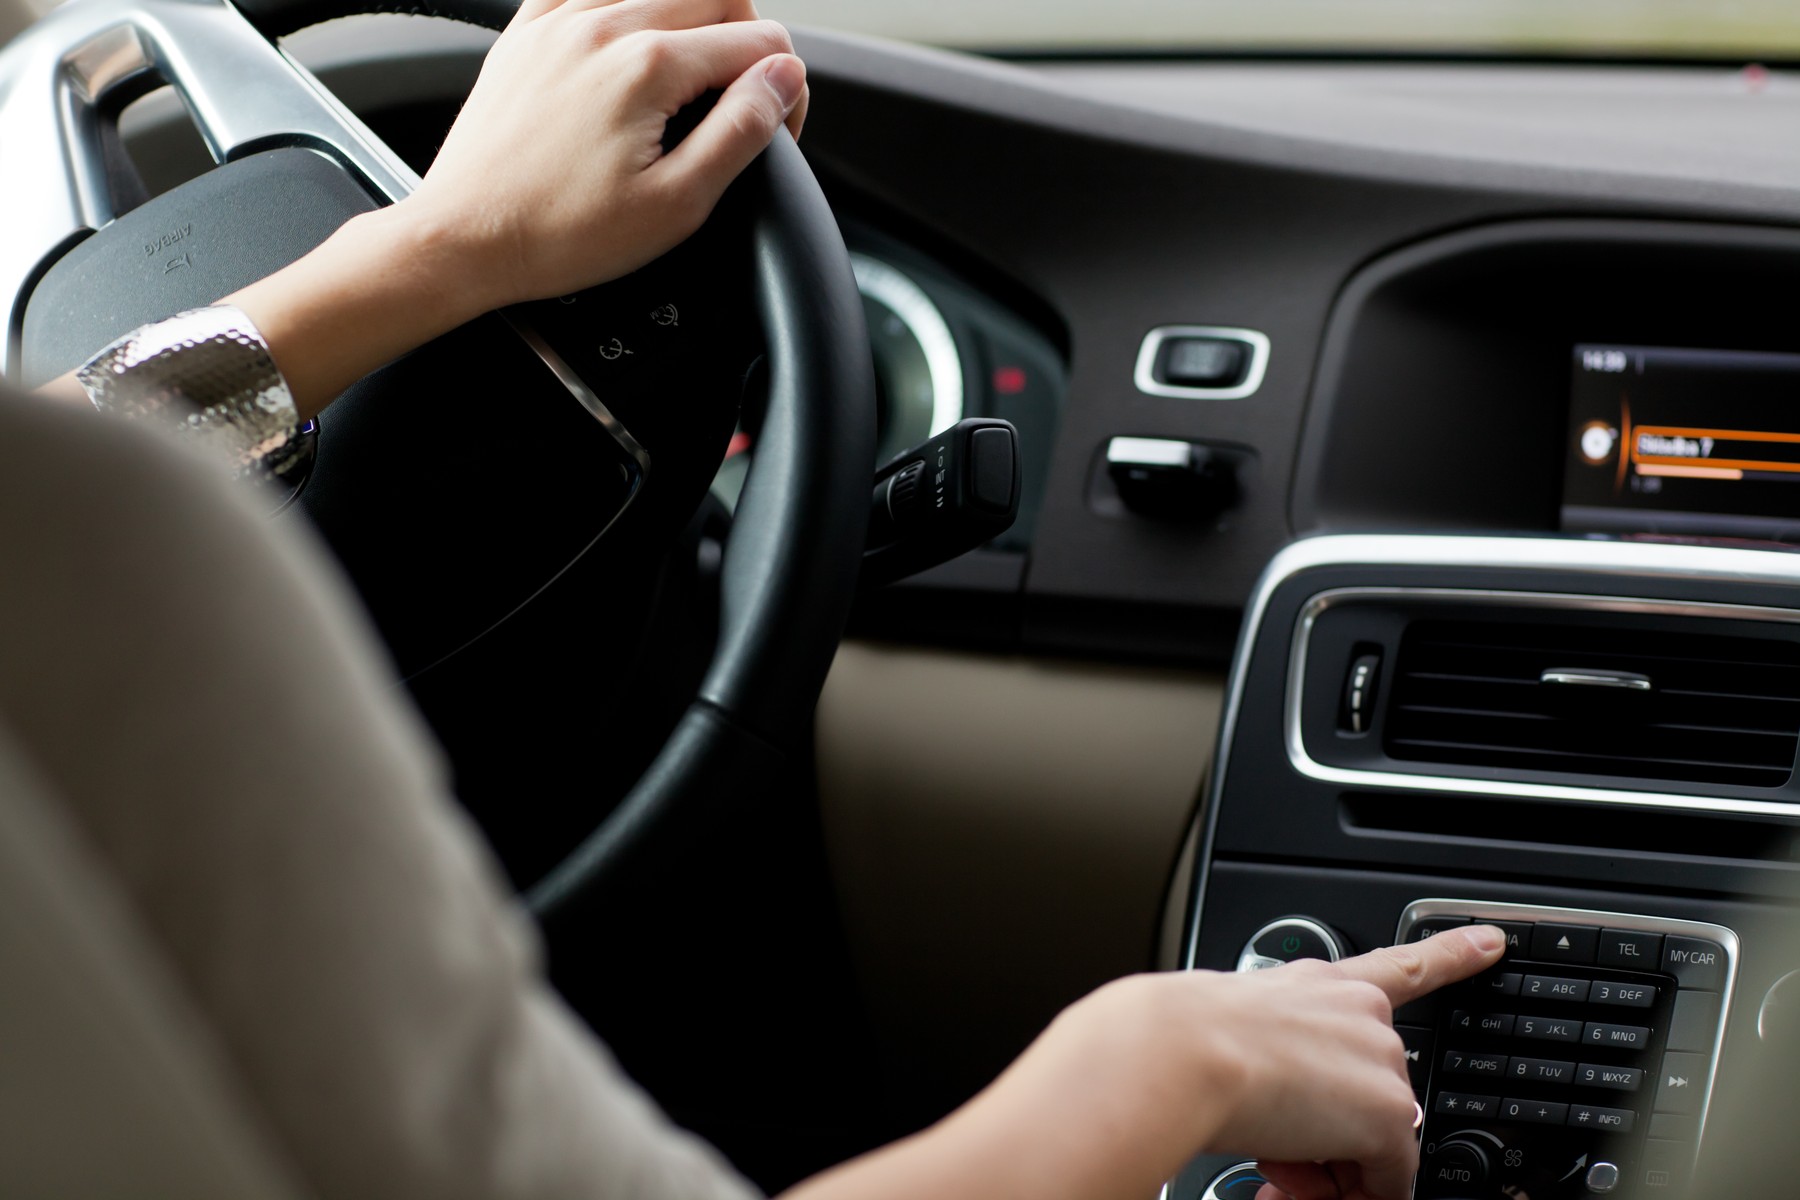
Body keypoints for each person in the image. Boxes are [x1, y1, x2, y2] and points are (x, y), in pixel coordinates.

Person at [16, 1, 1508, 1197]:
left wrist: (444, 248)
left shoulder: (83, 531)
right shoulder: (128, 559)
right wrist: (1164, 1070)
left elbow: (71, 458)